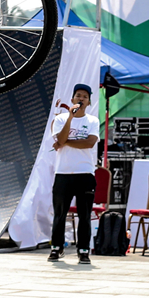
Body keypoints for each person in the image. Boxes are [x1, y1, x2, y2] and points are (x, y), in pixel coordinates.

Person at [48, 83, 100, 265]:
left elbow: (90, 143)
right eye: (78, 95)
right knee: (59, 213)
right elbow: (59, 139)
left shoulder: (92, 121)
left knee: (85, 215)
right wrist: (70, 118)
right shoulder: (61, 119)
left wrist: (66, 142)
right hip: (63, 173)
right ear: (72, 99)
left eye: (85, 97)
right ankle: (56, 248)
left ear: (89, 101)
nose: (81, 99)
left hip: (85, 173)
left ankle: (83, 251)